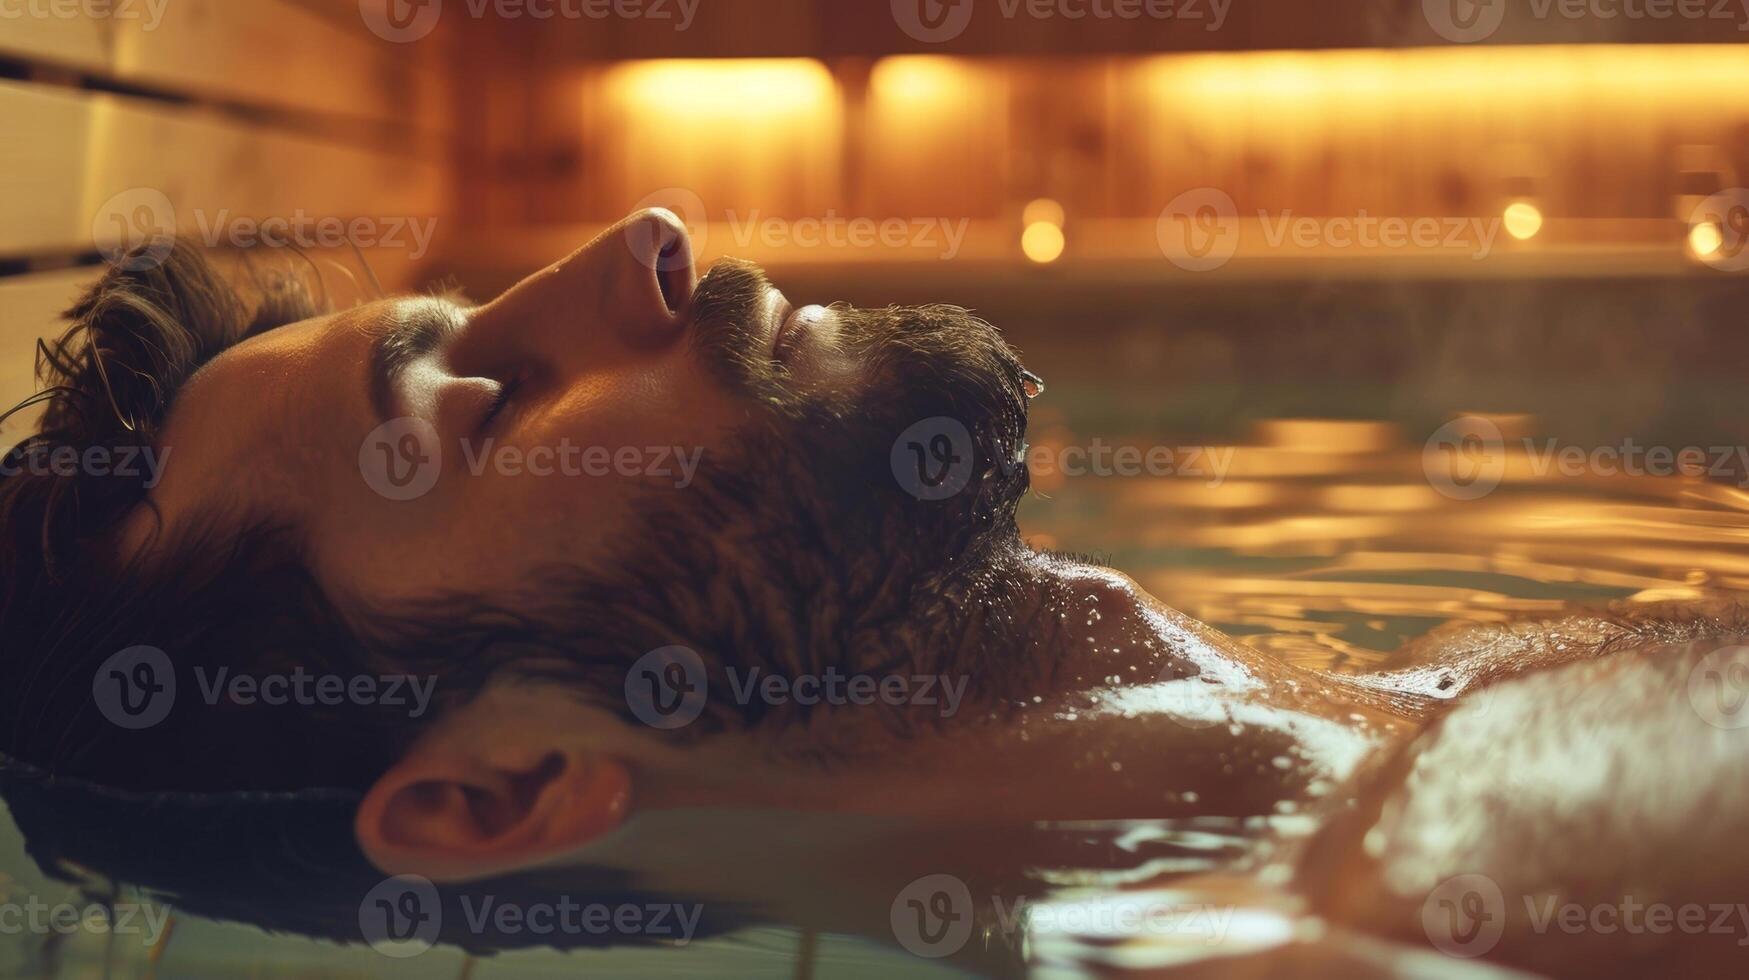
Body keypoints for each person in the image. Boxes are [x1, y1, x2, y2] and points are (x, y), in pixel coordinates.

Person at [3, 209, 1746, 975]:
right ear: (504, 791)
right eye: (482, 403)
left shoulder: (1405, 733)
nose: (643, 244)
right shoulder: (1390, 921)